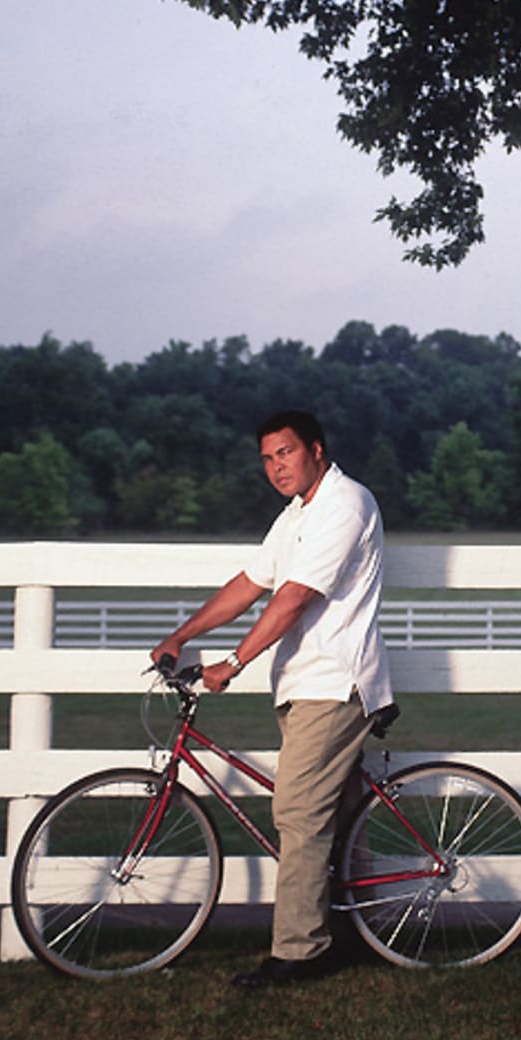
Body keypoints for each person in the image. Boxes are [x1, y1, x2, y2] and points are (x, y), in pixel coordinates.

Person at [150, 409, 391, 987]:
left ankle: (300, 952)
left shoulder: (344, 504)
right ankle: (362, 932)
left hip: (336, 682)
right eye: (266, 458)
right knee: (338, 814)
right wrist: (183, 635)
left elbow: (294, 599)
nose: (275, 466)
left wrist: (232, 662)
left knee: (298, 812)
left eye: (284, 453)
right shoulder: (296, 514)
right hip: (304, 684)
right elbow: (250, 584)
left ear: (315, 449)